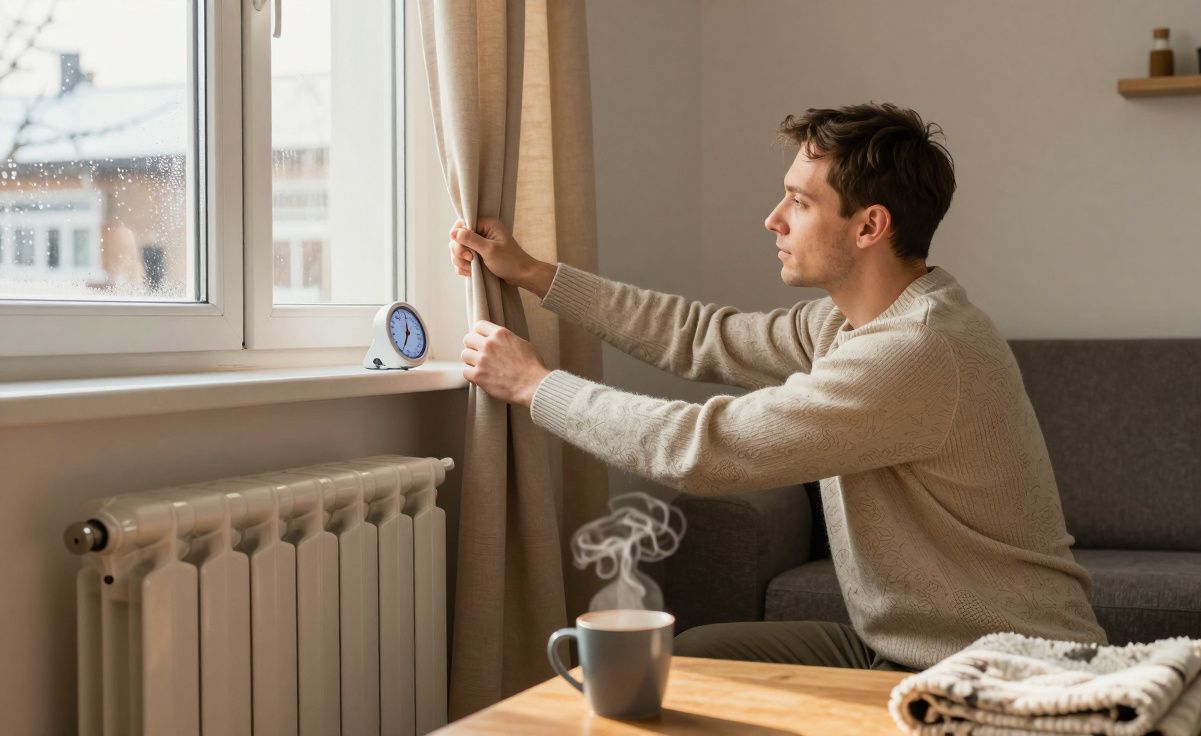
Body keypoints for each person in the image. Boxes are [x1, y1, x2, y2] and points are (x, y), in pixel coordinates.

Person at [449, 102, 1107, 672]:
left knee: (687, 669)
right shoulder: (852, 322)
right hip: (900, 650)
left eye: (799, 201)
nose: (774, 219)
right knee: (696, 657)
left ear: (869, 226)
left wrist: (537, 387)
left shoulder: (916, 348)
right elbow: (698, 334)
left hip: (1013, 668)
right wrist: (534, 272)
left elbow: (703, 450)